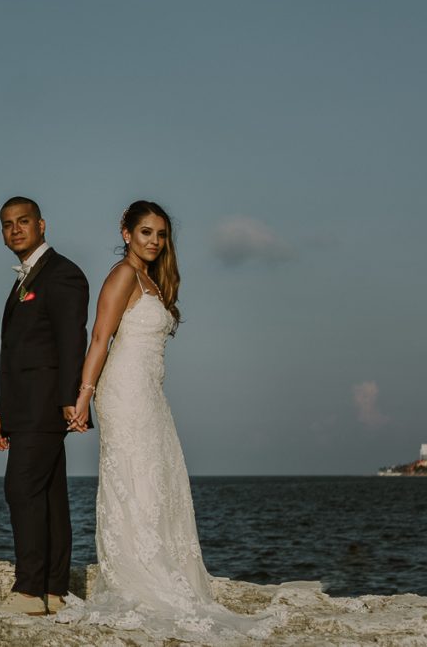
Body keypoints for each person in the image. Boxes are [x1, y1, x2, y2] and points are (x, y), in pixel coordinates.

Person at [63, 200, 280, 640]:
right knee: (135, 477)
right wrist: (83, 397)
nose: (155, 241)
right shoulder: (123, 275)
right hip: (124, 392)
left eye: (161, 235)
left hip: (151, 393)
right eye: (146, 232)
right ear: (126, 232)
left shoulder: (152, 280)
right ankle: (136, 576)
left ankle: (163, 569)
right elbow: (100, 337)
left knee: (160, 477)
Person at [0, 196, 90, 618]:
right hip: (23, 407)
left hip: (47, 404)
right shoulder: (24, 279)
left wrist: (71, 400)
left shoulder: (63, 274)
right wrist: (2, 411)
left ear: (42, 225)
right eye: (7, 224)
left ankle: (28, 592)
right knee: (49, 494)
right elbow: (17, 352)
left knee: (20, 488)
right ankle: (54, 591)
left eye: (23, 221)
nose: (15, 229)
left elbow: (72, 341)